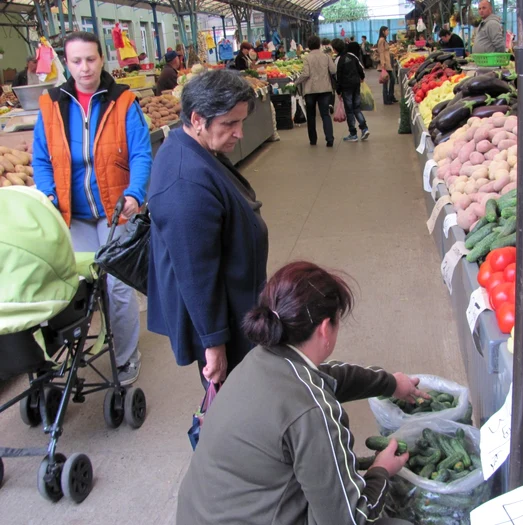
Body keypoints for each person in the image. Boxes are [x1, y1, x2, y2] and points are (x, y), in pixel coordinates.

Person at [176, 261, 423, 525]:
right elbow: (349, 520)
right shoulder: (313, 410)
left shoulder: (257, 360)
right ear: (326, 328)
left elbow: (329, 378)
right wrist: (380, 471)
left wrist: (391, 383)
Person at [33, 31, 151, 385]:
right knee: (80, 285)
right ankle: (88, 346)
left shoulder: (123, 101)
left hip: (116, 212)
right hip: (73, 214)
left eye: (91, 59)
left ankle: (126, 357)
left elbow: (141, 153)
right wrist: (49, 196)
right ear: (65, 64)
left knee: (116, 286)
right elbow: (41, 158)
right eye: (76, 61)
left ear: (103, 59)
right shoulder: (51, 103)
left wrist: (135, 192)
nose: (84, 68)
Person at [148, 70, 269, 386]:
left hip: (237, 305)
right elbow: (195, 273)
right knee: (233, 398)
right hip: (223, 318)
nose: (239, 133)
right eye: (230, 123)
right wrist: (214, 345)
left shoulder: (195, 149)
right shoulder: (184, 182)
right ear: (197, 118)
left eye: (241, 122)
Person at [295, 35, 336, 147]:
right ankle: (329, 139)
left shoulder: (307, 58)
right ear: (319, 45)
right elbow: (333, 70)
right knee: (325, 115)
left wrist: (296, 82)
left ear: (308, 46)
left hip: (310, 90)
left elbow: (306, 74)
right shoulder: (326, 56)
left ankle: (313, 140)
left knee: (311, 115)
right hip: (325, 89)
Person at [332, 39, 369, 143]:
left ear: (335, 49)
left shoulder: (338, 59)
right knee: (357, 108)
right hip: (356, 85)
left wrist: (338, 91)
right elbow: (360, 69)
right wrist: (361, 78)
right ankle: (364, 128)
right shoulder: (352, 56)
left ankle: (353, 134)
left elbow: (338, 76)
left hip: (346, 87)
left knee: (349, 111)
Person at [377, 26, 397, 105]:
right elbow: (381, 52)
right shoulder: (381, 40)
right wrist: (383, 64)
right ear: (383, 31)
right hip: (385, 64)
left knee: (391, 80)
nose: (388, 32)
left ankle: (391, 96)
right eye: (387, 30)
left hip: (387, 63)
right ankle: (387, 99)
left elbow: (386, 51)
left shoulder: (384, 40)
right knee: (387, 81)